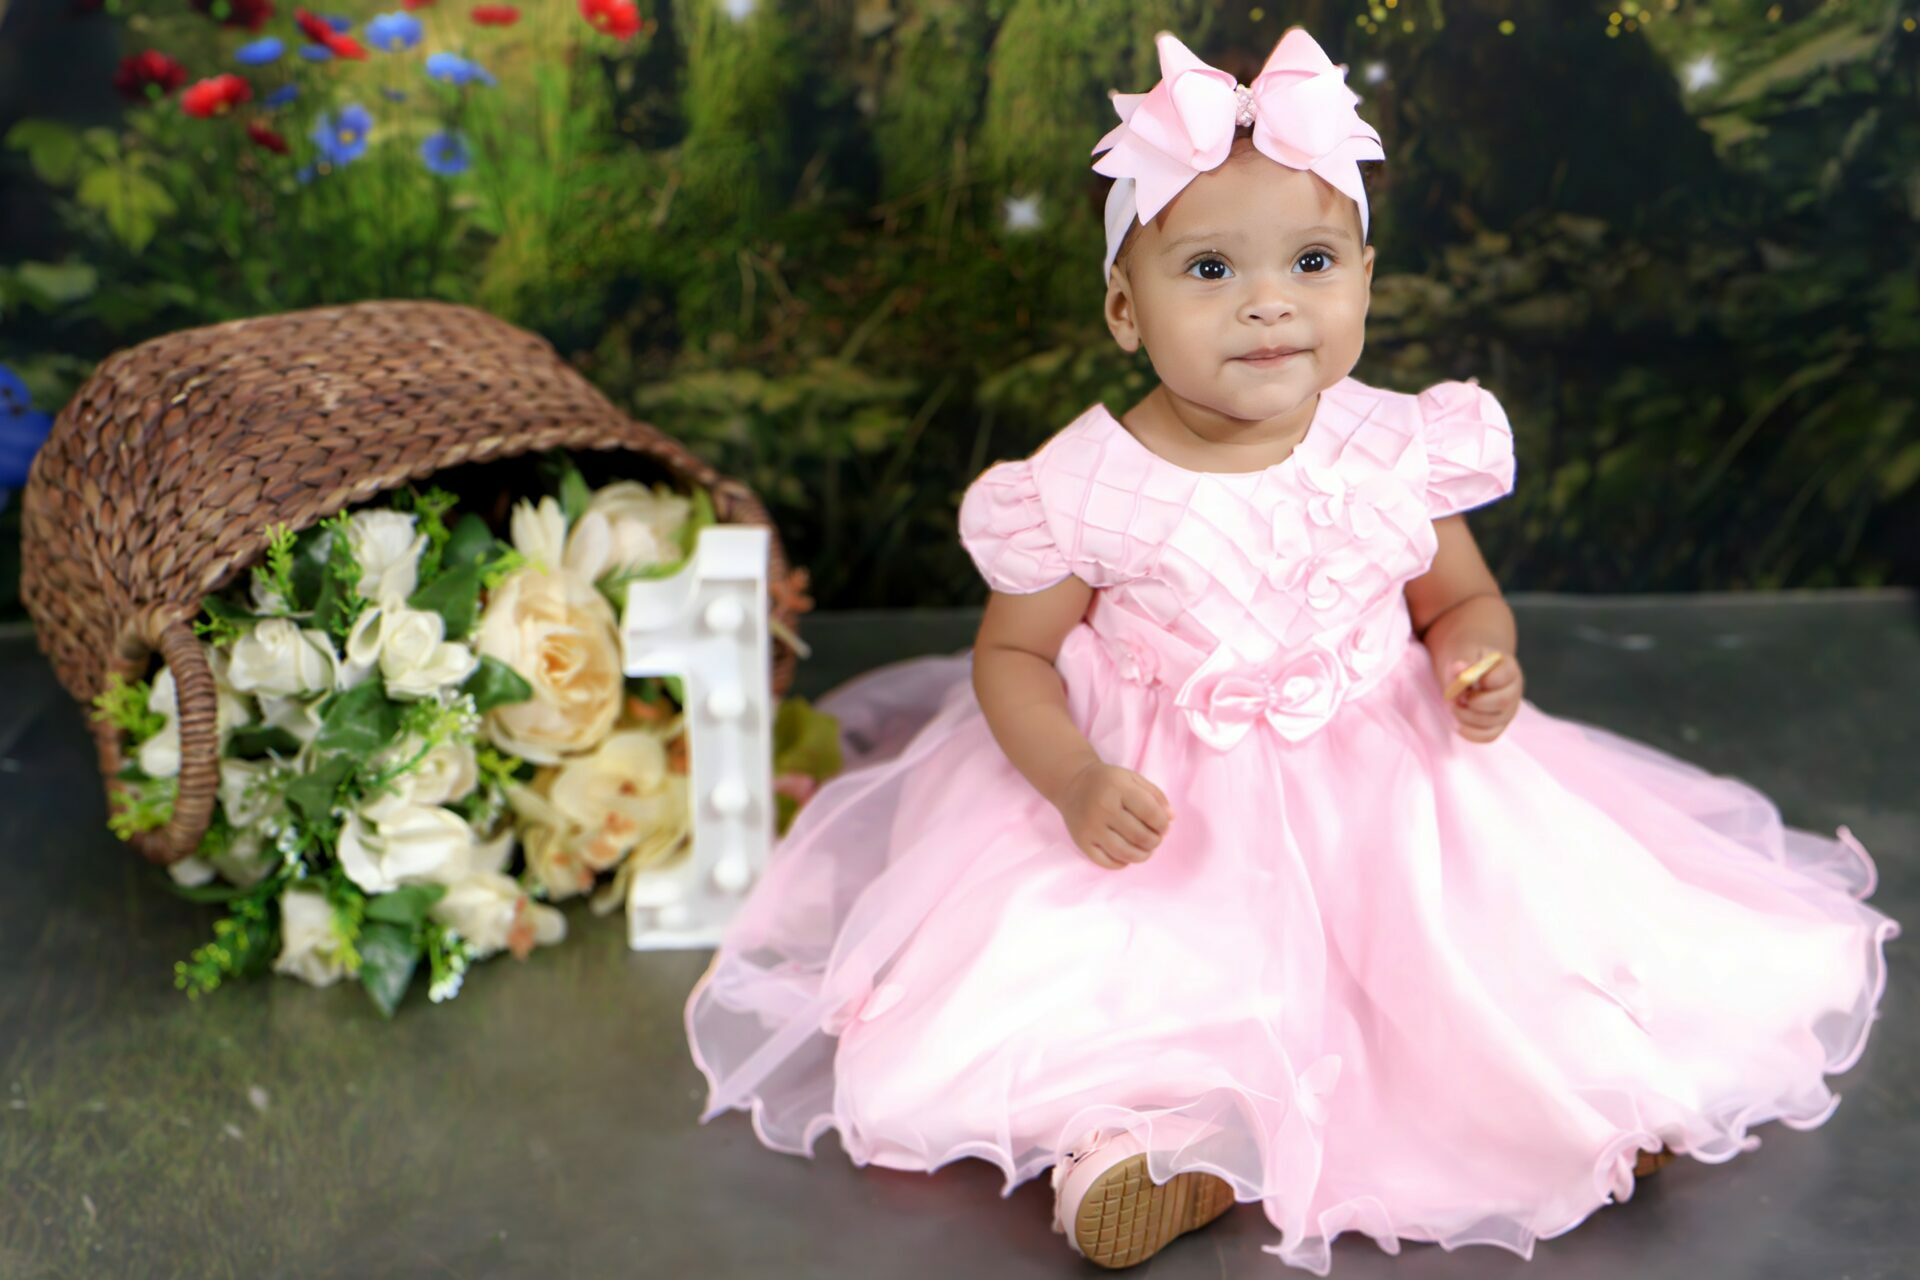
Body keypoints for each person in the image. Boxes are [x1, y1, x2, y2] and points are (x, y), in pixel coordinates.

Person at [684, 27, 1900, 1274]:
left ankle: (1580, 1090)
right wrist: (1074, 777)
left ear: (1365, 279)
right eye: (1209, 268)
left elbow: (1460, 601)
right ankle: (1154, 1137)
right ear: (1124, 308)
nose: (1269, 302)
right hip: (1166, 802)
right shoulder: (1083, 486)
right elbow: (1014, 660)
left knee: (1475, 942)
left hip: (1387, 779)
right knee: (1123, 977)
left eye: (1312, 262)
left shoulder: (1388, 448)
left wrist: (1479, 666)